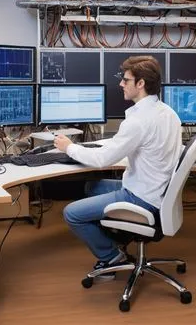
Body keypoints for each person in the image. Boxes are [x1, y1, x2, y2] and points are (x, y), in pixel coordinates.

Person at [54, 55, 182, 280]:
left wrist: (69, 147)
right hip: (155, 191)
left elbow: (103, 159)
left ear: (140, 84)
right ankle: (118, 239)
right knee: (92, 187)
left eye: (125, 80)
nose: (121, 84)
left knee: (71, 213)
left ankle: (111, 255)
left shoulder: (138, 121)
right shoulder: (168, 113)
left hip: (141, 198)